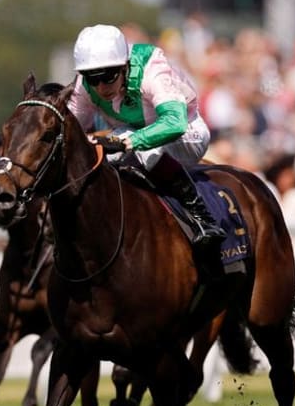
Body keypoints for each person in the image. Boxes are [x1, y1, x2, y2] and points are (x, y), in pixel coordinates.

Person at [67, 24, 225, 248]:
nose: (101, 86)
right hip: (132, 134)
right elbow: (70, 129)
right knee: (97, 155)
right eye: (93, 78)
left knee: (140, 149)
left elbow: (174, 122)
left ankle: (202, 217)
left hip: (187, 133)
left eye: (109, 76)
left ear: (124, 66)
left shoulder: (151, 66)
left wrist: (126, 142)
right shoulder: (86, 85)